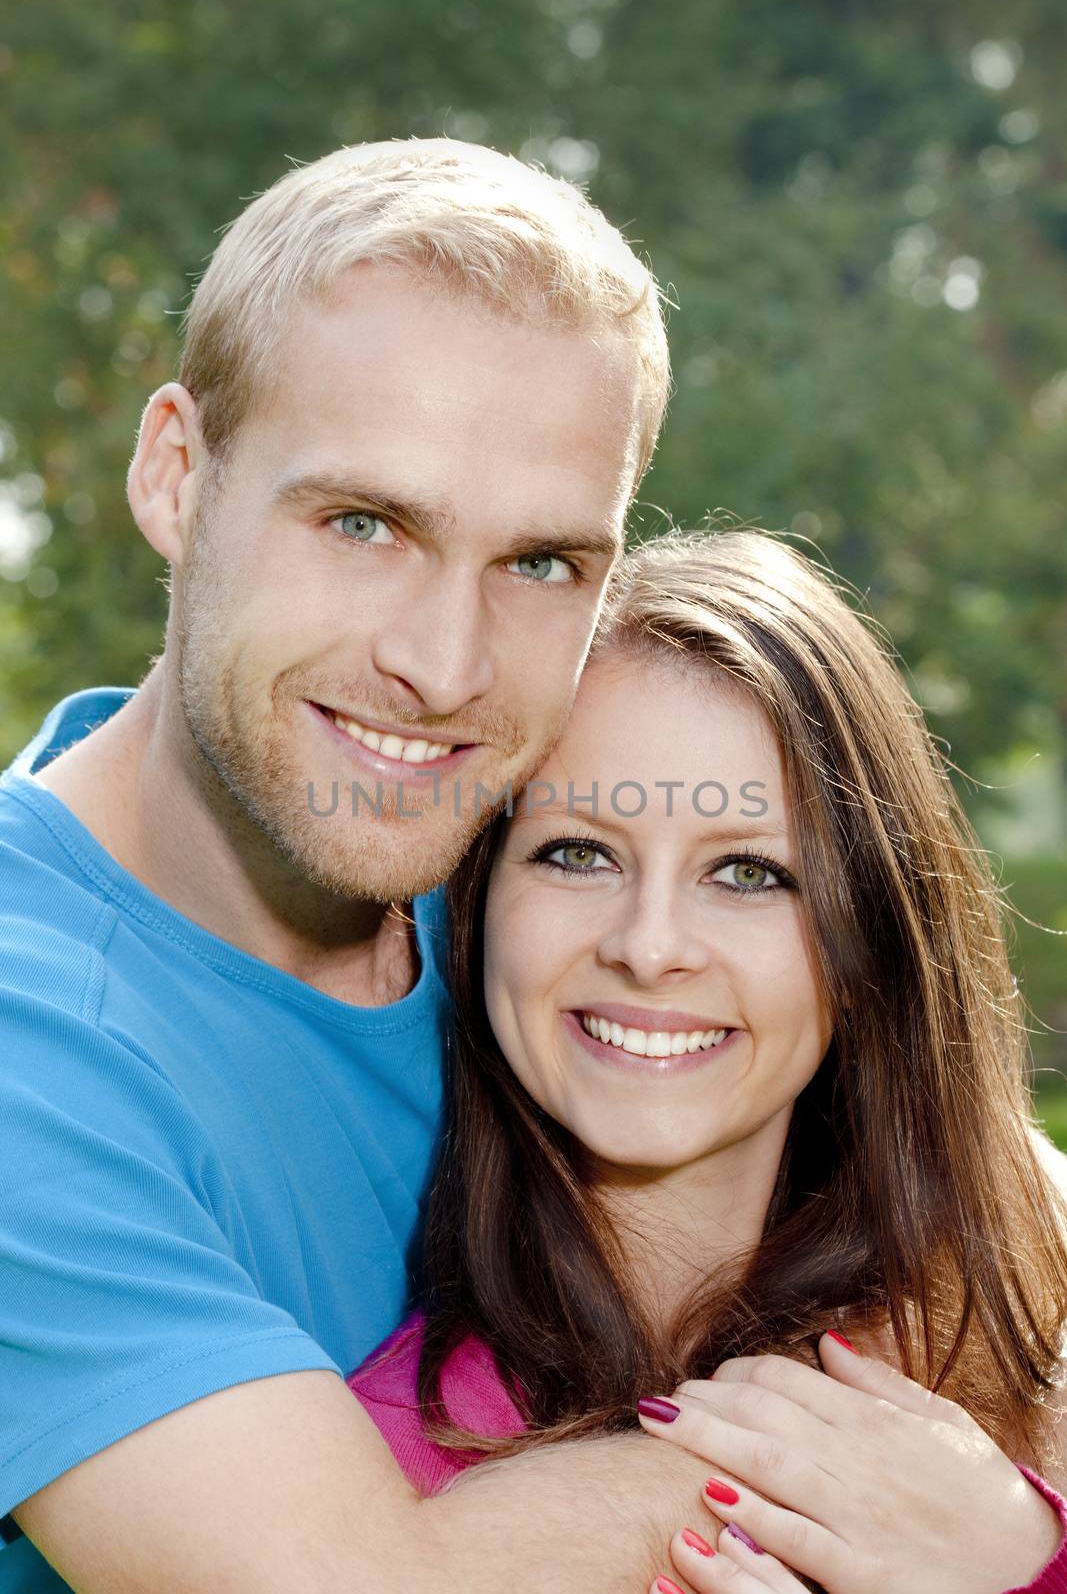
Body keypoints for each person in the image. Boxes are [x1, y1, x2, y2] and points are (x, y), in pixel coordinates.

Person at [0, 139, 727, 1594]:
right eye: (362, 524)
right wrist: (875, 1439)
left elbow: (985, 1199)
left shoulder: (560, 898)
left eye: (537, 565)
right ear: (176, 473)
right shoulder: (31, 1036)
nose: (440, 666)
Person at [347, 527, 1067, 1594]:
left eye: (746, 872)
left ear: (860, 938)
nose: (647, 946)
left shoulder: (1031, 1323)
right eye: (577, 852)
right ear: (477, 909)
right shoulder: (374, 1477)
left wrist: (1023, 1560)